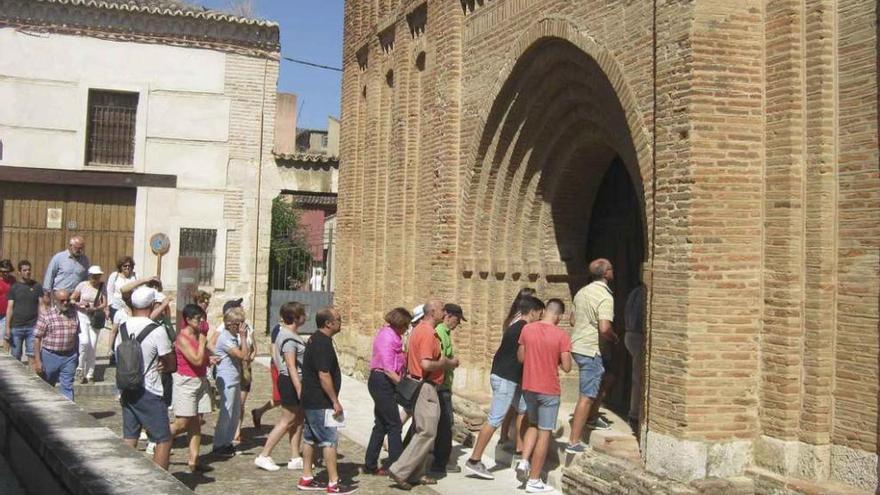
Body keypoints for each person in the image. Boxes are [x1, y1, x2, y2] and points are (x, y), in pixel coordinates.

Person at [464, 295, 544, 479]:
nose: (540, 317)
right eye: (539, 313)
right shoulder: (523, 329)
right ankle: (474, 460)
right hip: (506, 378)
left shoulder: (516, 326)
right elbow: (522, 356)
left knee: (524, 409)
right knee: (495, 419)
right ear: (532, 312)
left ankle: (520, 453)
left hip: (509, 378)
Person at [389, 299, 458, 490]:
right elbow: (426, 364)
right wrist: (447, 363)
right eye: (442, 309)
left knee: (421, 429)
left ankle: (416, 473)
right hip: (425, 386)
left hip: (421, 384)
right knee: (427, 431)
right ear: (433, 312)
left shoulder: (419, 329)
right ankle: (400, 470)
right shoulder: (428, 333)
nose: (445, 313)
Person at [297, 306, 357, 494]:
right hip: (320, 401)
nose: (341, 323)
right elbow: (324, 375)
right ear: (328, 323)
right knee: (329, 440)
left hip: (310, 399)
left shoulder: (316, 338)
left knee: (309, 438)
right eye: (338, 320)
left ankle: (307, 477)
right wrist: (334, 401)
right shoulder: (322, 343)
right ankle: (334, 483)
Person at [515, 298, 572, 493]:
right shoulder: (561, 335)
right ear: (559, 315)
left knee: (532, 424)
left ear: (546, 310)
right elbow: (567, 366)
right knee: (545, 432)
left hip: (529, 386)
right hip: (549, 389)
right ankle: (534, 480)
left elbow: (521, 357)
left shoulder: (527, 329)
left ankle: (524, 460)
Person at [116, 286, 176, 470]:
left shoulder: (123, 327)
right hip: (149, 389)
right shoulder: (157, 330)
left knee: (130, 438)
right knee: (163, 439)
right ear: (151, 305)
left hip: (126, 388)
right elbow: (171, 363)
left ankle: (125, 478)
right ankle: (158, 484)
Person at [566, 258, 618, 453]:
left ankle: (591, 418)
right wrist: (613, 337)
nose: (613, 272)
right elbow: (605, 327)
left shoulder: (582, 292)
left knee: (607, 378)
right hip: (591, 349)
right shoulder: (605, 296)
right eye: (611, 268)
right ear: (605, 274)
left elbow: (572, 320)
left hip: (578, 345)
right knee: (586, 395)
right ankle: (573, 442)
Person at [254, 301, 308, 472]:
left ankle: (295, 456)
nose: (306, 316)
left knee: (298, 420)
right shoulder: (288, 337)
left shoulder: (290, 334)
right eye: (303, 314)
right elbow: (291, 365)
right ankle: (264, 455)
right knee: (287, 420)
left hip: (295, 380)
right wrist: (299, 387)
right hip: (291, 381)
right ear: (296, 317)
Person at [363, 307, 412, 475]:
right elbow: (389, 370)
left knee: (381, 424)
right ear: (400, 324)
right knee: (394, 424)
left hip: (386, 382)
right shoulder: (387, 337)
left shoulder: (395, 336)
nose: (407, 329)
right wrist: (404, 388)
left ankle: (370, 464)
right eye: (406, 325)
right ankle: (396, 467)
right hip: (382, 382)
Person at [169, 304, 212, 473]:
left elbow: (202, 358)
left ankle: (193, 461)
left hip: (200, 380)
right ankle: (160, 439)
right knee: (182, 423)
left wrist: (210, 359)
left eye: (202, 318)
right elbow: (195, 360)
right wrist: (202, 343)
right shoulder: (183, 338)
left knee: (196, 422)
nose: (201, 322)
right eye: (198, 319)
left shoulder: (197, 334)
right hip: (186, 382)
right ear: (187, 320)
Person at [429, 303, 466, 475]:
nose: (457, 324)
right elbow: (442, 359)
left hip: (440, 384)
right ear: (449, 316)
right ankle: (441, 464)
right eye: (457, 320)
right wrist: (453, 363)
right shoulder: (441, 333)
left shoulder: (443, 332)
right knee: (445, 425)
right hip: (440, 386)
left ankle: (403, 454)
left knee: (424, 424)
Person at [499, 287, 537, 444]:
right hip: (516, 368)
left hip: (508, 367)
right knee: (522, 408)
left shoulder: (511, 319)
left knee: (511, 405)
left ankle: (504, 436)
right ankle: (519, 446)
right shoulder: (522, 323)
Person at [211, 306, 250, 455]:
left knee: (235, 412)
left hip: (234, 377)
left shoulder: (233, 337)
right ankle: (219, 444)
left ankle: (227, 442)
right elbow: (243, 356)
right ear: (231, 324)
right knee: (226, 412)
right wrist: (244, 337)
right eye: (239, 323)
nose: (242, 326)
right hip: (226, 378)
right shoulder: (226, 338)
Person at [32, 290, 80, 400]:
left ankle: (68, 413)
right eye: (62, 301)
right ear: (55, 301)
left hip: (69, 356)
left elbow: (77, 336)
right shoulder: (46, 315)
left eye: (67, 300)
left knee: (67, 386)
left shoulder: (74, 314)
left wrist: (77, 354)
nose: (65, 303)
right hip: (50, 355)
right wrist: (38, 361)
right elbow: (37, 338)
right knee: (47, 386)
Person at [72, 265, 107, 384]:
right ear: (89, 276)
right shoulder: (82, 285)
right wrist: (79, 305)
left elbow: (104, 303)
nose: (96, 279)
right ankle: (80, 370)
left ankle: (90, 374)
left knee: (92, 345)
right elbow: (72, 299)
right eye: (94, 277)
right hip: (82, 316)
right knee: (84, 342)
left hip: (94, 317)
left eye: (98, 277)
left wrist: (94, 308)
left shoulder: (102, 286)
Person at [5, 260, 44, 364]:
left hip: (32, 327)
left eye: (29, 270)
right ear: (19, 272)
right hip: (16, 327)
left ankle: (32, 379)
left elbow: (41, 305)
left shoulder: (37, 286)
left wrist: (41, 324)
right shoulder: (14, 287)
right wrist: (7, 327)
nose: (28, 272)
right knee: (15, 356)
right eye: (25, 270)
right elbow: (10, 308)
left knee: (32, 355)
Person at [624, 280, 646, 431]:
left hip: (629, 334)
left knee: (637, 376)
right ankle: (634, 415)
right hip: (638, 336)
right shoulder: (643, 293)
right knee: (638, 378)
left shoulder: (634, 292)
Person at [106, 256, 137, 363]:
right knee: (115, 329)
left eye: (129, 266)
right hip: (116, 305)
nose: (127, 268)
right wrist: (109, 307)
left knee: (127, 329)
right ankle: (112, 355)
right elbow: (109, 291)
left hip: (129, 305)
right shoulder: (114, 276)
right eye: (125, 266)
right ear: (121, 266)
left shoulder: (135, 276)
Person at [0, 259, 15, 345]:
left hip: (5, 314)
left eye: (7, 271)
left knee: (2, 339)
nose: (5, 273)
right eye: (3, 271)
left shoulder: (12, 280)